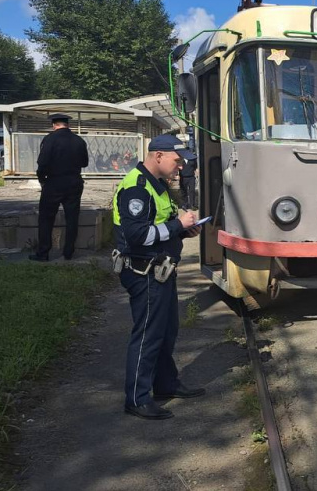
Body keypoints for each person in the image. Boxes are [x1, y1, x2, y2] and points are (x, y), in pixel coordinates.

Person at [113, 134, 204, 420]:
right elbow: (138, 236)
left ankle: (164, 383)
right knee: (148, 336)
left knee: (166, 331)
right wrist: (178, 225)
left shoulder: (157, 185)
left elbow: (161, 224)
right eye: (177, 161)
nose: (180, 167)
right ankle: (138, 399)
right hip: (144, 272)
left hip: (160, 269)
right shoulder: (137, 189)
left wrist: (182, 229)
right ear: (159, 156)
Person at [30, 114, 89, 261]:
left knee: (46, 218)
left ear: (54, 125)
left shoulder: (49, 139)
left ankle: (43, 253)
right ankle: (68, 252)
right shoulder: (79, 140)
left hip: (54, 183)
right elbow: (84, 163)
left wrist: (42, 180)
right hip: (74, 182)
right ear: (67, 125)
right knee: (72, 218)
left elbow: (42, 164)